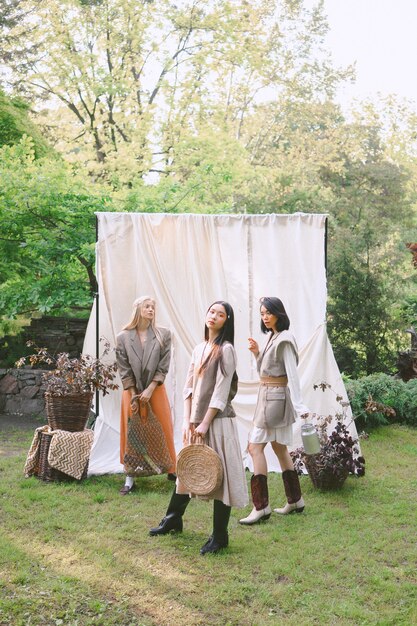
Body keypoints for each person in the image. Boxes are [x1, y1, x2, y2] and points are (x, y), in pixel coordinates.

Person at [149, 301, 248, 555]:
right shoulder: (199, 348)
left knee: (220, 476)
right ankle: (173, 519)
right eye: (211, 311)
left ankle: (220, 536)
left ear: (227, 321)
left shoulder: (226, 350)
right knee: (188, 470)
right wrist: (186, 421)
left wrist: (205, 422)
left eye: (220, 314)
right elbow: (189, 386)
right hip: (196, 422)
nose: (214, 316)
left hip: (218, 422)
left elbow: (221, 391)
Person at [239, 297, 309, 525]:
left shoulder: (285, 339)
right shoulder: (273, 337)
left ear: (279, 313)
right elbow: (265, 371)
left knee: (254, 447)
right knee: (279, 447)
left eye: (268, 312)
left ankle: (261, 507)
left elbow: (292, 374)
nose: (265, 317)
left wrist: (300, 406)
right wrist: (257, 353)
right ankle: (296, 500)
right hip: (269, 397)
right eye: (262, 314)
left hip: (275, 400)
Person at [115, 296, 176, 494]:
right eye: (147, 306)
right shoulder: (123, 337)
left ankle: (171, 470)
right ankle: (130, 476)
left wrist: (150, 389)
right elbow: (124, 369)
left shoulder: (163, 334)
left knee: (164, 426)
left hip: (156, 389)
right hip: (131, 391)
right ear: (138, 309)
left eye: (153, 307)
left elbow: (163, 366)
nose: (151, 310)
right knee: (131, 430)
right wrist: (134, 393)